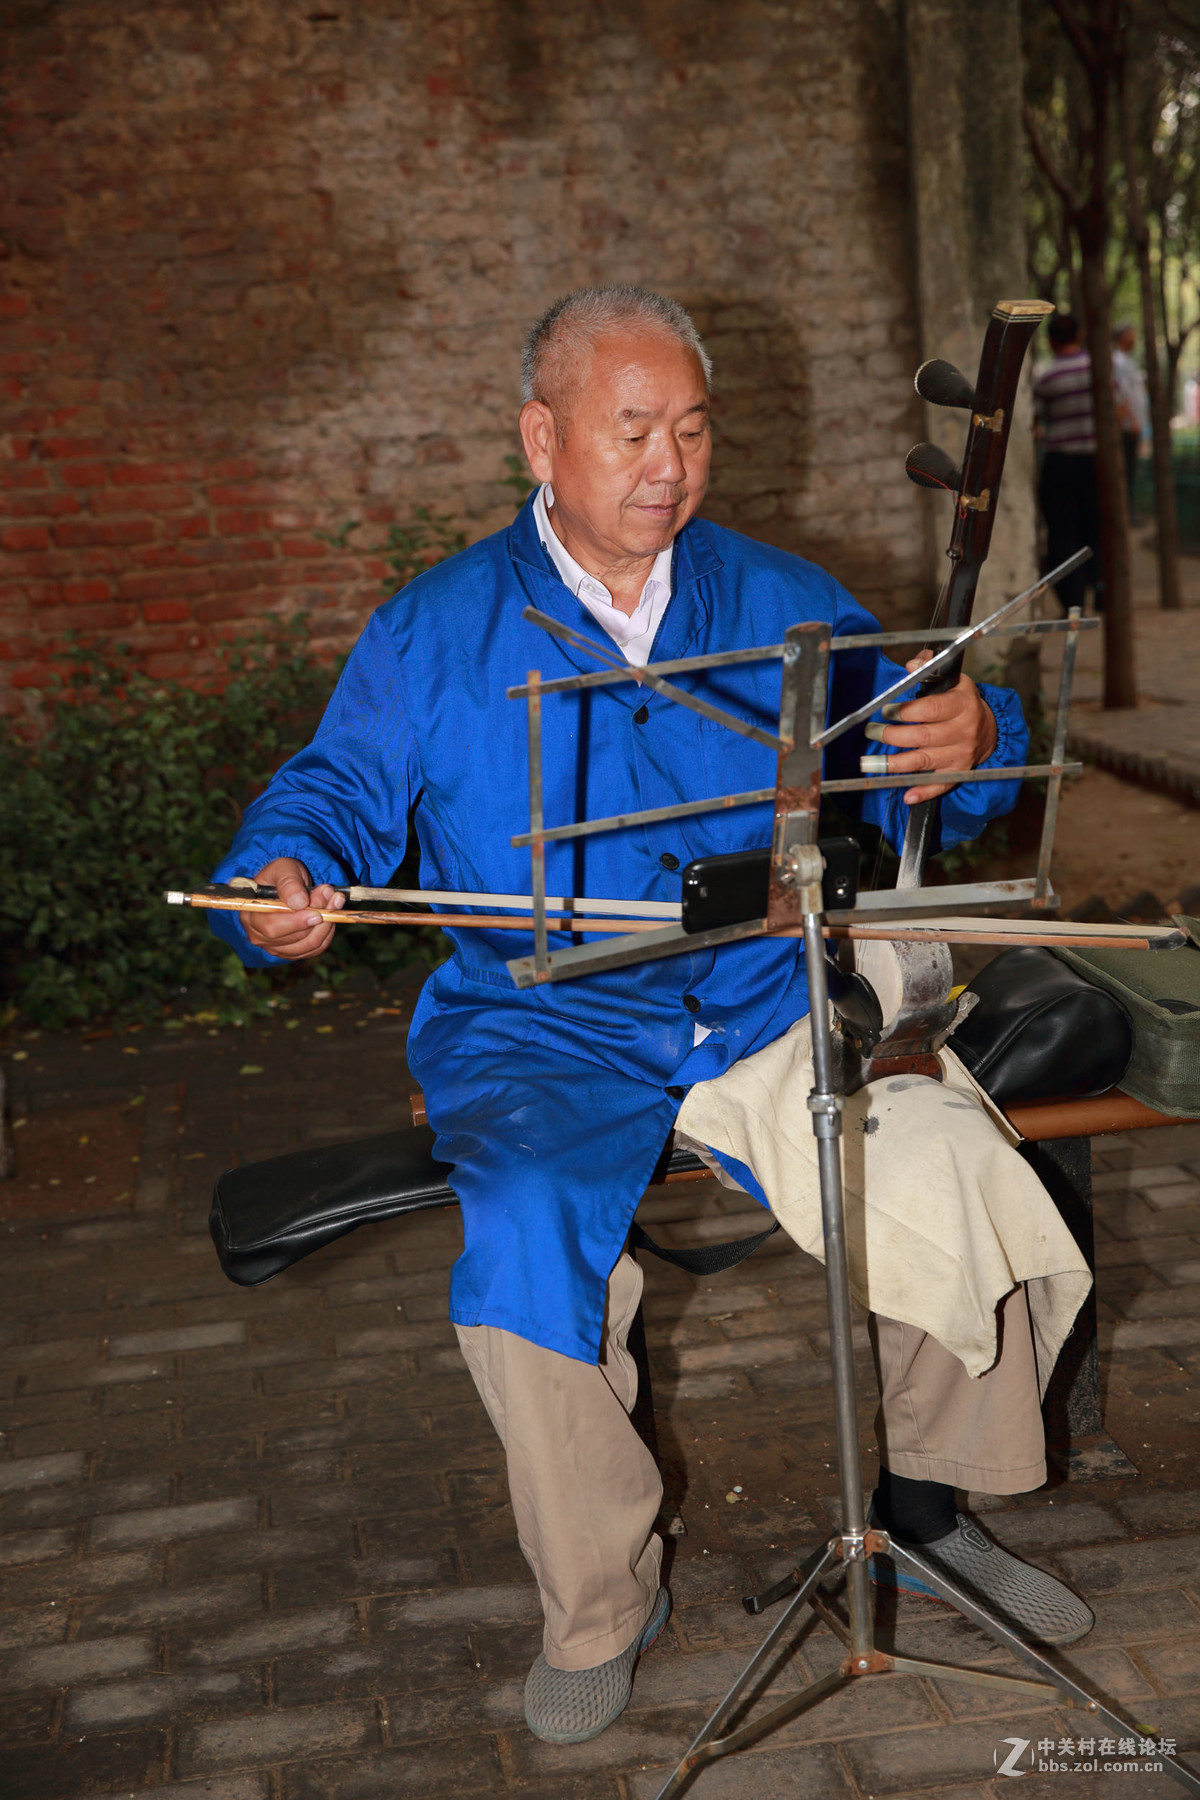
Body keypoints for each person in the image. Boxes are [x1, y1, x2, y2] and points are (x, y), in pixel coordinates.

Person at [210, 287, 1093, 1746]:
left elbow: (933, 754)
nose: (667, 465)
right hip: (537, 1024)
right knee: (528, 1233)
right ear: (540, 439)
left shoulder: (783, 598)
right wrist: (279, 879)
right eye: (631, 433)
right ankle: (601, 1604)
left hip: (757, 1002)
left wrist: (975, 738)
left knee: (941, 1150)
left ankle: (928, 1518)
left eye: (690, 430)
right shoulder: (433, 631)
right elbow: (333, 797)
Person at [1033, 311, 1103, 614]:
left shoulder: (1046, 376)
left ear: (1051, 341)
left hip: (1060, 465)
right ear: (1079, 335)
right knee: (1098, 528)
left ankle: (1074, 602)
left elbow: (1034, 420)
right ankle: (1102, 591)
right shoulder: (1099, 370)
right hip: (1097, 464)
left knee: (1063, 535)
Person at [1112, 320, 1149, 519]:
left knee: (1131, 470)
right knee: (1126, 471)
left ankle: (1129, 512)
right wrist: (1130, 420)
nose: (1134, 337)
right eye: (1130, 333)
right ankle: (1125, 513)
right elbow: (1121, 394)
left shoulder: (1128, 361)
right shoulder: (1117, 361)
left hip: (1133, 425)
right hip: (1126, 427)